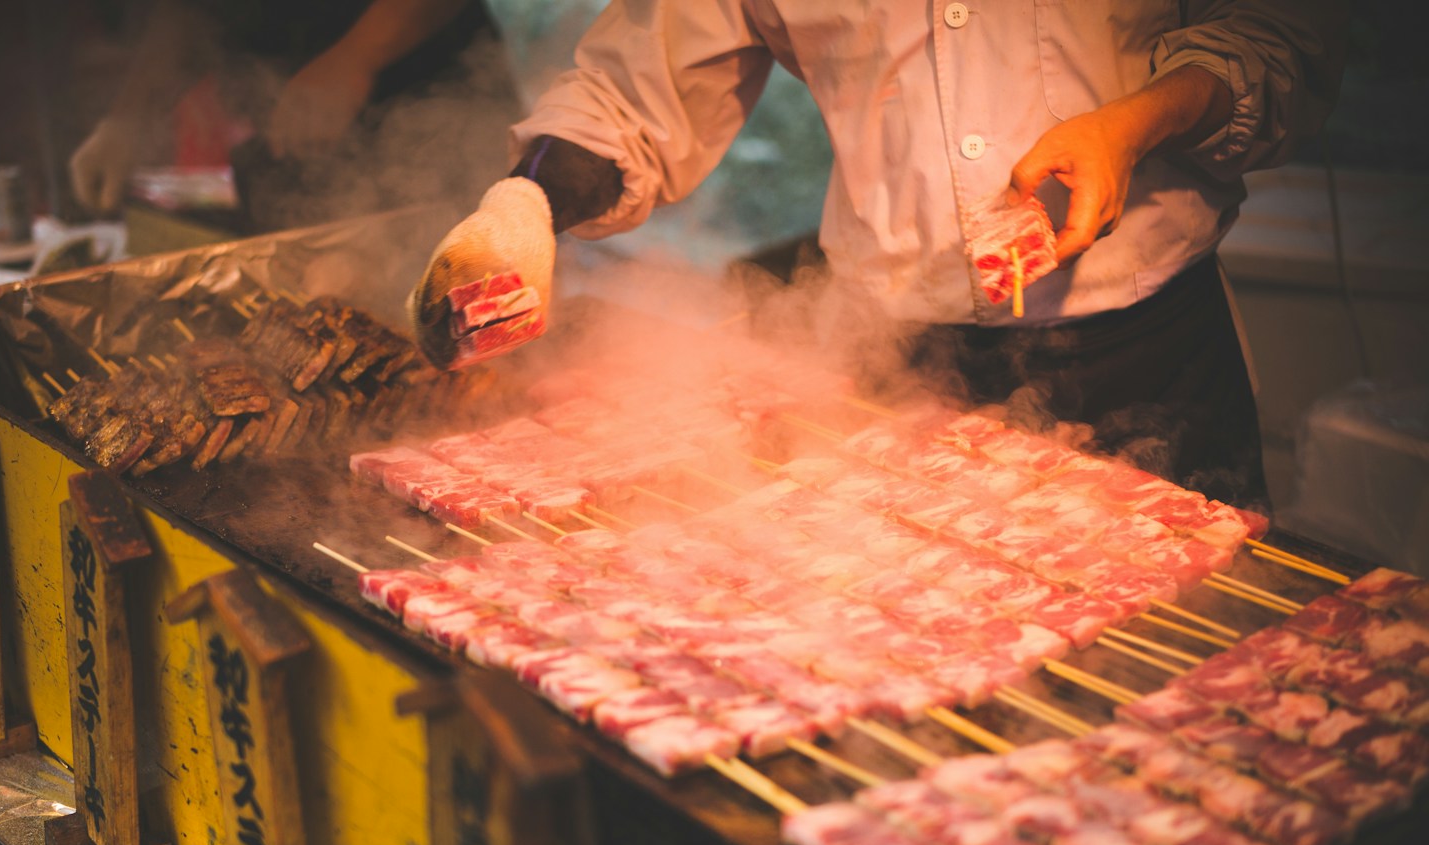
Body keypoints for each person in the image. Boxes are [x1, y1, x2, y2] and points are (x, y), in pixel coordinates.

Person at [410, 2, 1349, 510]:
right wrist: (527, 199)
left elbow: (1276, 37)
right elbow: (632, 90)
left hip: (1147, 351)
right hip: (898, 366)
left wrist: (1135, 122)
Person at [70, 0, 517, 231]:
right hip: (294, 139)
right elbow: (190, 10)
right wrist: (127, 119)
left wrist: (356, 56)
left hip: (431, 110)